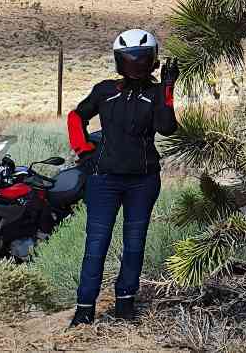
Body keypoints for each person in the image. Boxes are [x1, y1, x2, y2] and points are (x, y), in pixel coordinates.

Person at [66, 28, 179, 327]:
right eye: (129, 58)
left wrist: (168, 89)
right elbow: (76, 116)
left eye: (141, 59)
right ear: (119, 61)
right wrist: (84, 151)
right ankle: (84, 310)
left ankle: (125, 306)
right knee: (96, 244)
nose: (135, 64)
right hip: (104, 180)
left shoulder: (156, 94)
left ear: (152, 61)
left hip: (142, 181)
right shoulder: (105, 90)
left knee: (134, 244)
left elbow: (167, 128)